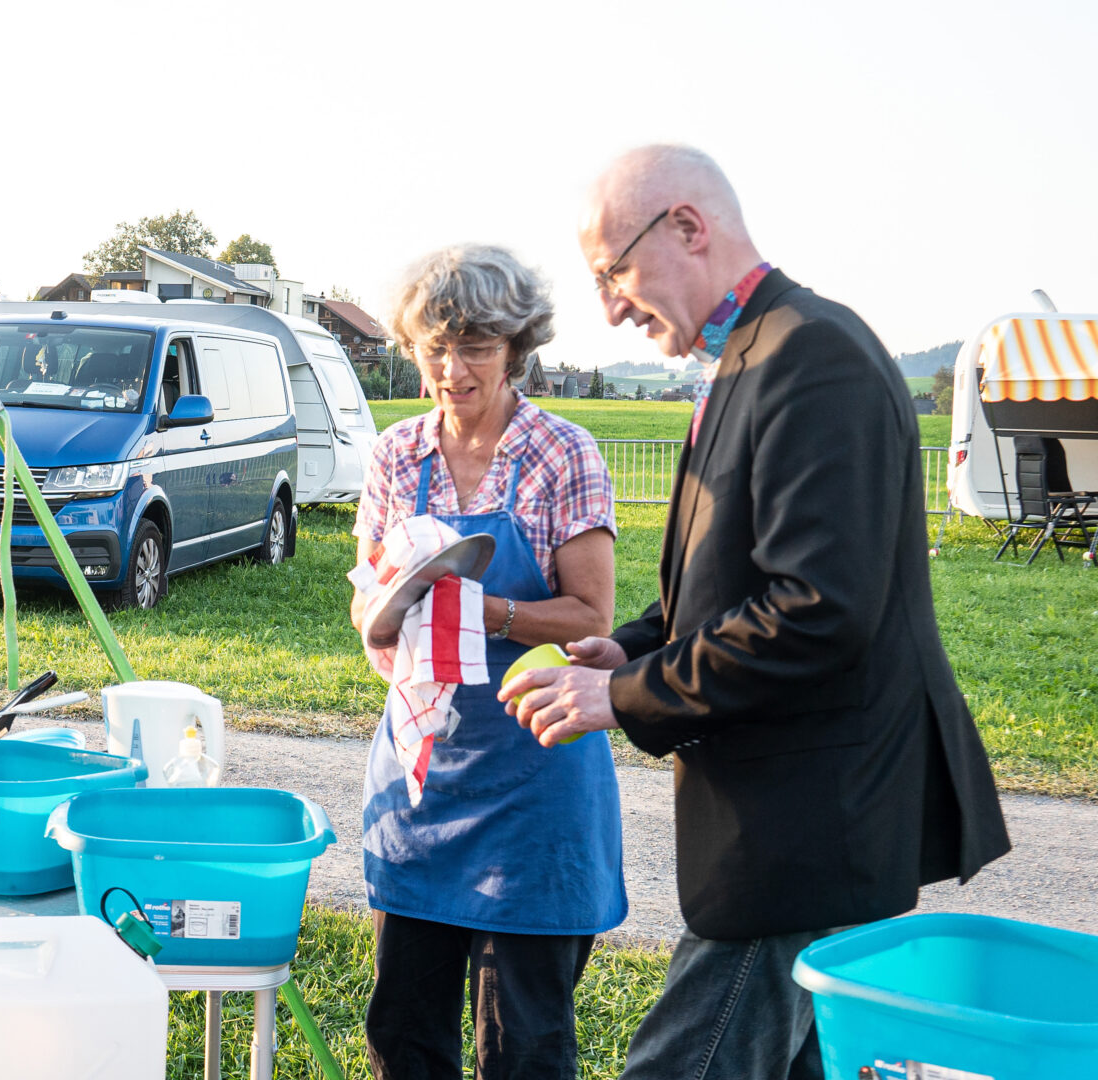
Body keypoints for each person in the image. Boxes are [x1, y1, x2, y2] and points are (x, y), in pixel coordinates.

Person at [502, 144, 1010, 1079]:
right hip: (792, 827)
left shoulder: (812, 354)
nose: (610, 304)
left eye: (613, 271)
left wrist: (628, 697)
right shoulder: (750, 354)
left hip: (805, 835)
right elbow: (729, 579)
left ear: (688, 228)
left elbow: (817, 610)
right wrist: (629, 645)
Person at [352, 244, 627, 1079]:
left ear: (516, 347)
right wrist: (381, 614)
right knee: (404, 1032)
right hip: (421, 777)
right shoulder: (396, 455)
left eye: (474, 346)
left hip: (534, 781)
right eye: (433, 346)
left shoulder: (563, 453)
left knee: (525, 1045)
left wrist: (483, 610)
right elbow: (365, 587)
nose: (452, 367)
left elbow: (591, 616)